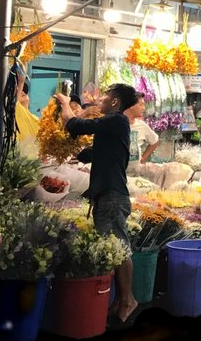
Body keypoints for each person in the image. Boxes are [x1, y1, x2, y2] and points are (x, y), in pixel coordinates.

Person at [54, 83, 138, 324]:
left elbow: (76, 126)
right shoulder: (112, 127)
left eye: (106, 96)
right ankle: (120, 300)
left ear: (114, 102)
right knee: (114, 248)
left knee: (119, 249)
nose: (100, 99)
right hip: (106, 195)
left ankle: (128, 300)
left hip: (113, 196)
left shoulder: (117, 120)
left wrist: (65, 104)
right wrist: (69, 150)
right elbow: (89, 153)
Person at [126, 94, 160, 164]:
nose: (144, 108)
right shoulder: (116, 124)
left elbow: (155, 141)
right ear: (131, 105)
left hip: (136, 172)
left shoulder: (142, 125)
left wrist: (143, 158)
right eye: (141, 105)